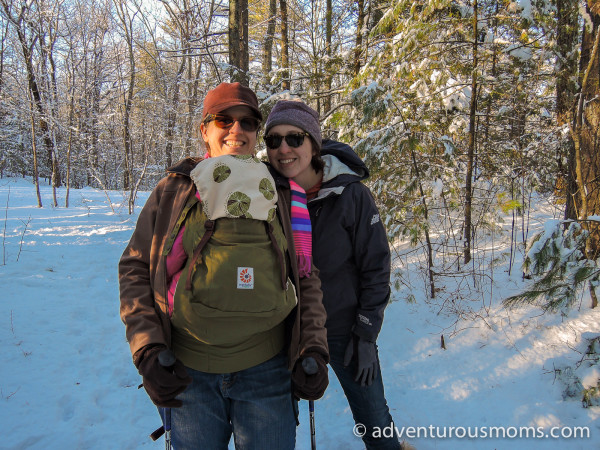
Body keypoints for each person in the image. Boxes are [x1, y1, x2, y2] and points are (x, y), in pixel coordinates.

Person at [119, 83, 329, 450]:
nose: (237, 129)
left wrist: (311, 347)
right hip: (188, 371)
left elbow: (304, 277)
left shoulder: (279, 190)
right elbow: (136, 269)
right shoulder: (175, 188)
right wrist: (148, 348)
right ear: (205, 129)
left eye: (247, 122)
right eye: (224, 119)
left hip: (267, 372)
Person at [265, 99, 402, 449]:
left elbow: (376, 267)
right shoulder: (264, 195)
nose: (284, 149)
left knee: (374, 421)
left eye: (295, 139)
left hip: (342, 329)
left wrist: (367, 334)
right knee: (276, 429)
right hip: (280, 330)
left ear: (313, 144)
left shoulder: (351, 194)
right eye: (274, 140)